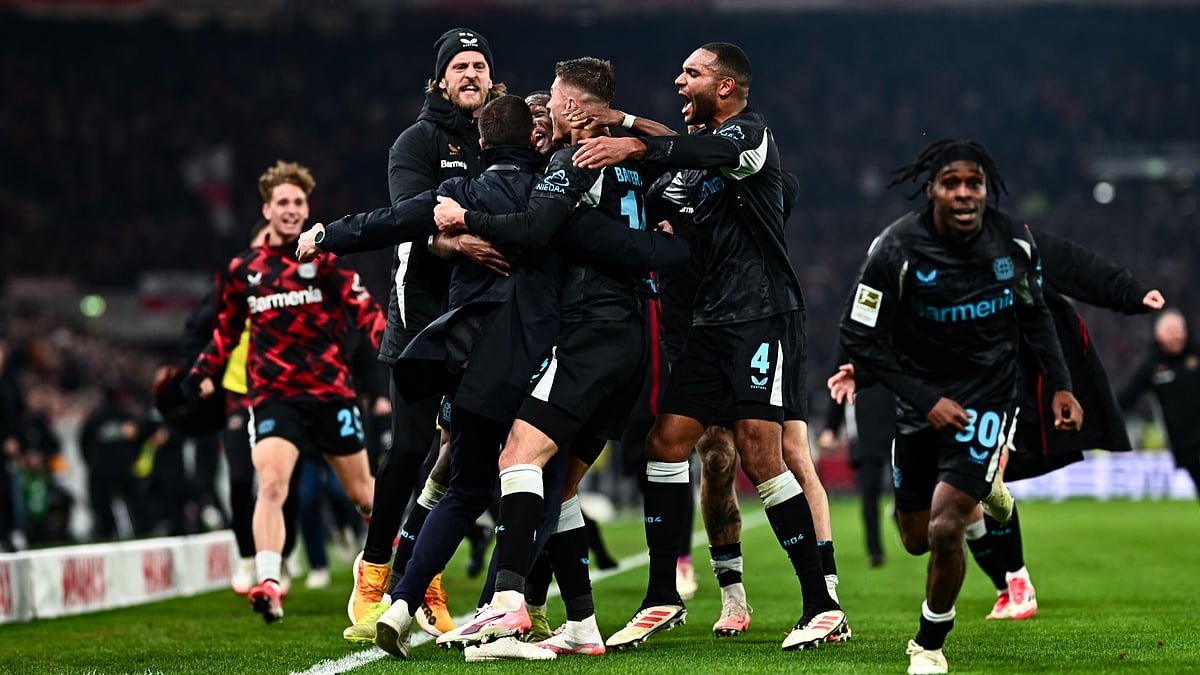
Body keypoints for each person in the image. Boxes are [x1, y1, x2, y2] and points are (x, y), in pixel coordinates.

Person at [572, 42, 845, 652]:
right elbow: (675, 155)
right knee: (666, 442)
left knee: (760, 450)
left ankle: (822, 604)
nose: (678, 80)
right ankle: (662, 595)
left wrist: (629, 135)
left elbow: (697, 148)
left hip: (760, 316)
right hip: (703, 324)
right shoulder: (690, 161)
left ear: (725, 87)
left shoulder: (751, 137)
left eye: (691, 74)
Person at [426, 57, 688, 662]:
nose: (546, 112)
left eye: (556, 102)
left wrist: (461, 221)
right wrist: (630, 135)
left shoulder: (574, 162)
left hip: (589, 332)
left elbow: (539, 228)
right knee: (560, 482)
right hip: (629, 338)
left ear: (574, 108)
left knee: (519, 453)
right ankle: (583, 625)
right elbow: (680, 152)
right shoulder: (634, 158)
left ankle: (510, 602)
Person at [837, 139, 1083, 675]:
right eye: (953, 184)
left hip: (989, 398)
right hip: (920, 405)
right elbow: (858, 334)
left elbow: (1036, 314)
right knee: (916, 539)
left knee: (947, 524)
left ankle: (929, 644)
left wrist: (1061, 385)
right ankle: (984, 507)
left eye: (975, 183)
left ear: (986, 190)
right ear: (932, 191)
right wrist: (925, 400)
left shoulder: (1012, 241)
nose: (965, 193)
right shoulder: (896, 249)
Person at [830, 229, 1165, 619]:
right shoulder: (907, 270)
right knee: (928, 528)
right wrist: (862, 372)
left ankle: (1016, 580)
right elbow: (876, 336)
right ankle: (1005, 584)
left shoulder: (1002, 239)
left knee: (979, 483)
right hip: (936, 393)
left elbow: (1070, 262)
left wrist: (1129, 292)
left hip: (1002, 383)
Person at [341, 26, 505, 639]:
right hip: (420, 314)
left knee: (460, 460)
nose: (471, 74)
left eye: (480, 66)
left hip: (484, 315)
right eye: (460, 66)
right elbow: (414, 219)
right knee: (410, 449)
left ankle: (423, 576)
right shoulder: (415, 141)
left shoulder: (505, 136)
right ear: (440, 79)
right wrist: (462, 240)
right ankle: (375, 566)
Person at [188, 160, 384, 624]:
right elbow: (225, 331)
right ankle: (270, 582)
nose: (292, 209)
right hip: (275, 396)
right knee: (271, 483)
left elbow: (366, 311)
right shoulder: (243, 270)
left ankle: (409, 571)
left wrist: (393, 348)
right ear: (268, 210)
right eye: (283, 203)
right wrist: (203, 369)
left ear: (307, 208)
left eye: (298, 202)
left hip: (332, 392)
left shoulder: (325, 258)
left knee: (363, 495)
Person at [818, 359, 896, 569]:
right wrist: (831, 427)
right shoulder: (851, 342)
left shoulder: (890, 337)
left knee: (905, 485)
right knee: (869, 493)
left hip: (894, 424)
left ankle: (901, 512)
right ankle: (875, 551)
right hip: (865, 432)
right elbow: (839, 385)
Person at [1119, 309, 1200, 500]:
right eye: (1170, 331)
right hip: (1183, 444)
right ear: (1159, 335)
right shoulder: (1152, 365)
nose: (1175, 336)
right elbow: (1126, 398)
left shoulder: (1197, 355)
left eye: (1178, 330)